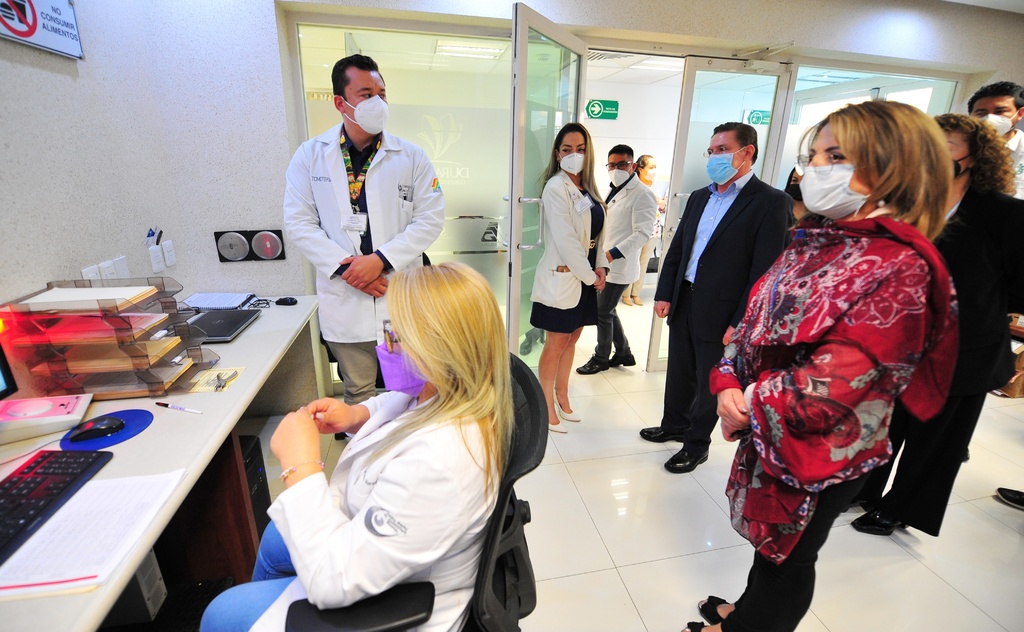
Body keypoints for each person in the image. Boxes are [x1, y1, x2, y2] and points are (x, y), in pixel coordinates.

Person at [681, 101, 959, 632]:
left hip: (823, 447)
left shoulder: (901, 264)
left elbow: (840, 381)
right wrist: (726, 378)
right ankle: (744, 613)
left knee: (789, 560)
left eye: (835, 156)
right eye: (815, 155)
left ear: (894, 166)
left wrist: (746, 401)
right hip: (771, 425)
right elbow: (753, 323)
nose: (815, 168)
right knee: (770, 548)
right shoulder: (817, 238)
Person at [200, 262, 514, 632]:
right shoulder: (448, 387)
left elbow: (334, 581)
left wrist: (301, 467)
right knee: (274, 539)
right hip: (372, 541)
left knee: (222, 614)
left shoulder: (442, 463)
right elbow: (403, 400)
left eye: (396, 335)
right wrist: (356, 414)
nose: (387, 345)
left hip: (395, 600)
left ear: (436, 351)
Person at [851, 113, 1024, 537]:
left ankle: (900, 508)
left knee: (937, 438)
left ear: (974, 157)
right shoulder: (907, 204)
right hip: (899, 341)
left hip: (965, 347)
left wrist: (974, 303)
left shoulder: (1005, 213)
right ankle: (865, 489)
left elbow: (1020, 287)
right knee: (885, 422)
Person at [283, 54, 445, 414]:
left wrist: (380, 260)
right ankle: (364, 450)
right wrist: (350, 270)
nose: (379, 103)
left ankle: (404, 449)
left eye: (382, 94)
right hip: (346, 297)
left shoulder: (412, 157)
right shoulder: (310, 156)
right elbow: (298, 223)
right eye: (366, 94)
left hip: (397, 294)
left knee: (410, 391)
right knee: (358, 392)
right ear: (341, 103)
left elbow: (431, 218)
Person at [641, 122, 791, 473]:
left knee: (711, 379)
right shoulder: (699, 196)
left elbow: (765, 272)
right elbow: (679, 248)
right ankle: (673, 424)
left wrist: (741, 321)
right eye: (712, 151)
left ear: (747, 152)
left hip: (724, 309)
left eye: (722, 149)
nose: (714, 157)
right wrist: (665, 292)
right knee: (680, 369)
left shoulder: (770, 202)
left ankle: (696, 444)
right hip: (685, 297)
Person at [530, 122, 607, 432]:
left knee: (573, 338)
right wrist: (590, 276)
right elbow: (566, 240)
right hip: (566, 276)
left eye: (581, 149)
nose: (574, 154)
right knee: (557, 342)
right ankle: (544, 404)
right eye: (567, 149)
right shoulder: (556, 187)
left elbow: (597, 236)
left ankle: (562, 396)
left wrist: (601, 267)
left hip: (585, 276)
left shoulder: (588, 190)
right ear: (557, 154)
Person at [576, 144, 656, 375]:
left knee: (602, 311)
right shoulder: (612, 190)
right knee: (608, 310)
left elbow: (642, 234)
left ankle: (601, 358)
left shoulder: (643, 194)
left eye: (622, 164)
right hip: (605, 262)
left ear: (633, 165)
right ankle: (623, 353)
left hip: (619, 264)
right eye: (611, 165)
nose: (616, 169)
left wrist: (611, 254)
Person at [968, 81, 1024, 199]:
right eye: (981, 113)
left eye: (1000, 111)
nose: (989, 118)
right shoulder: (961, 149)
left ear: (1020, 113)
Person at [623, 154, 665, 306]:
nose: (654, 171)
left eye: (655, 167)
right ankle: (626, 293)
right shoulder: (634, 186)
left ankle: (636, 293)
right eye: (651, 167)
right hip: (637, 230)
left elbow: (664, 204)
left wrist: (661, 202)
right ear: (640, 169)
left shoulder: (658, 186)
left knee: (644, 262)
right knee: (632, 261)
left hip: (653, 230)